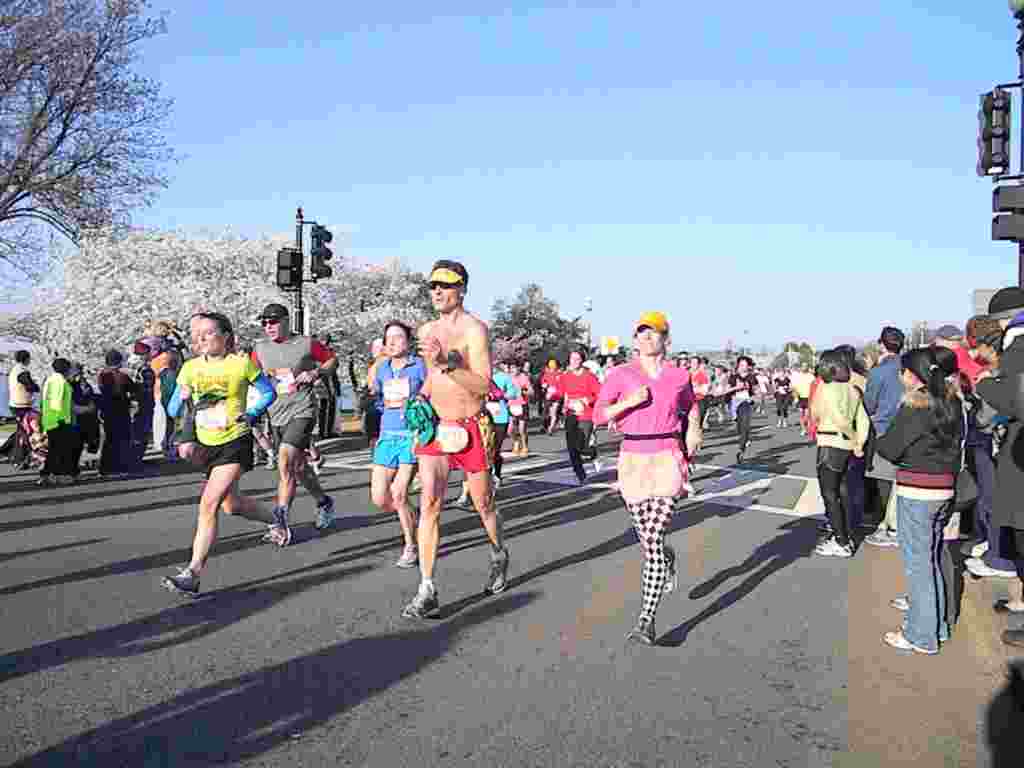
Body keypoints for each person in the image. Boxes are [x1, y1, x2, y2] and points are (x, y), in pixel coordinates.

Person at [400, 260, 509, 620]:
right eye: (432, 285)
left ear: (462, 289)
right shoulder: (427, 328)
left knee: (483, 504)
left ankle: (497, 553)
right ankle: (427, 587)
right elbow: (432, 378)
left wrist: (447, 362)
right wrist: (421, 396)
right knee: (430, 502)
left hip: (471, 428)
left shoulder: (474, 330)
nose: (437, 291)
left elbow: (483, 385)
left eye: (445, 285)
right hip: (436, 427)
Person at [595, 311, 702, 645]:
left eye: (652, 332)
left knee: (652, 541)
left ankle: (646, 619)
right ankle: (665, 558)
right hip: (632, 459)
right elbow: (599, 414)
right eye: (641, 332)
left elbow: (691, 406)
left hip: (668, 457)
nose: (645, 337)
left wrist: (695, 429)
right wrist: (628, 401)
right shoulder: (620, 374)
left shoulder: (679, 376)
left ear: (665, 340)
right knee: (648, 540)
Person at [161, 312, 278, 597]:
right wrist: (182, 397)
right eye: (197, 333)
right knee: (232, 505)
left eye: (209, 332)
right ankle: (276, 516)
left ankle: (193, 572)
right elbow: (173, 409)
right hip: (207, 443)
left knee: (208, 503)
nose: (201, 338)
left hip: (234, 441)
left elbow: (267, 393)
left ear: (226, 337)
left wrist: (249, 414)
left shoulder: (241, 364)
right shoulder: (189, 368)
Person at [876, 347, 963, 654]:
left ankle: (920, 635)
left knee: (918, 566)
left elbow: (889, 449)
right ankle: (936, 627)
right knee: (932, 561)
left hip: (917, 492)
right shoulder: (953, 403)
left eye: (903, 372)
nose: (901, 377)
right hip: (946, 489)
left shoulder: (915, 406)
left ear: (914, 375)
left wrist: (881, 434)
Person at [252, 303, 339, 539]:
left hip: (303, 409)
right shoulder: (259, 349)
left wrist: (316, 373)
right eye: (264, 322)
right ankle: (323, 501)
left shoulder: (306, 343)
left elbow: (332, 360)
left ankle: (280, 521)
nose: (268, 326)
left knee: (284, 460)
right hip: (276, 412)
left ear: (286, 321)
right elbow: (250, 377)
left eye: (273, 321)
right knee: (298, 468)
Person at [369, 320, 428, 568]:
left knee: (399, 492)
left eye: (397, 337)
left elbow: (432, 394)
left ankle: (411, 545)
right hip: (387, 435)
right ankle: (412, 516)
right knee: (380, 498)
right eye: (388, 338)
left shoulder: (419, 366)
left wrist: (418, 408)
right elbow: (377, 397)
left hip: (410, 436)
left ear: (408, 341)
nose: (391, 342)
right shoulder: (382, 369)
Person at [809, 350, 870, 558]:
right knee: (843, 492)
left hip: (829, 442)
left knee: (830, 494)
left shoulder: (825, 388)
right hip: (846, 448)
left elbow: (829, 417)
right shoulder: (852, 389)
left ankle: (840, 540)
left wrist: (853, 437)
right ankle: (847, 534)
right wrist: (858, 442)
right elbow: (863, 420)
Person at [864, 326, 907, 548]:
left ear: (882, 344)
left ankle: (888, 525)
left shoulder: (878, 372)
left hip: (883, 428)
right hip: (909, 428)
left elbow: (869, 402)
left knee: (884, 479)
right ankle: (898, 523)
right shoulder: (908, 367)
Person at [560, 347, 603, 484]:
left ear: (582, 360)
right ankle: (580, 475)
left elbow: (600, 394)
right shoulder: (565, 376)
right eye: (572, 359)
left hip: (585, 415)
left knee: (581, 445)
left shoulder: (589, 377)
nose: (574, 361)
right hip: (570, 414)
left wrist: (587, 400)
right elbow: (561, 392)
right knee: (572, 447)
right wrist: (552, 392)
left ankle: (592, 452)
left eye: (577, 359)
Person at [97, 349, 137, 477]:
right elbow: (134, 389)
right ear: (119, 362)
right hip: (121, 410)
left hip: (107, 410)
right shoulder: (123, 376)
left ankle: (105, 468)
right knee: (122, 440)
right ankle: (121, 467)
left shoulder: (101, 376)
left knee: (109, 440)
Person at [37, 358, 76, 486]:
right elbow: (57, 403)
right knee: (60, 449)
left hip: (50, 419)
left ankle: (46, 475)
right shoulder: (61, 382)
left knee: (54, 449)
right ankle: (58, 476)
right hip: (60, 419)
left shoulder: (49, 379)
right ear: (66, 369)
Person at [7, 349, 40, 470]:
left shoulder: (15, 369)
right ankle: (19, 458)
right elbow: (30, 386)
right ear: (26, 359)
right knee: (25, 431)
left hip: (15, 404)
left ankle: (14, 455)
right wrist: (36, 386)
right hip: (21, 405)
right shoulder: (22, 371)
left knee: (21, 430)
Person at [727, 356, 758, 463]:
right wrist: (736, 387)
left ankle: (741, 451)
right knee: (740, 428)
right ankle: (745, 438)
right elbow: (727, 390)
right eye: (741, 365)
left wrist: (754, 393)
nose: (742, 367)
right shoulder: (733, 377)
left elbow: (756, 391)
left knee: (744, 426)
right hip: (735, 403)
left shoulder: (752, 377)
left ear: (748, 367)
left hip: (746, 402)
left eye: (745, 365)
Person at [509, 362, 533, 456]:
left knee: (522, 429)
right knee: (510, 429)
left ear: (519, 368)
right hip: (511, 404)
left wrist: (525, 392)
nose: (513, 370)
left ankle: (524, 446)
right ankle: (516, 441)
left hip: (522, 404)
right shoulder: (508, 378)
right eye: (511, 368)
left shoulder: (524, 377)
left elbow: (531, 391)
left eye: (514, 368)